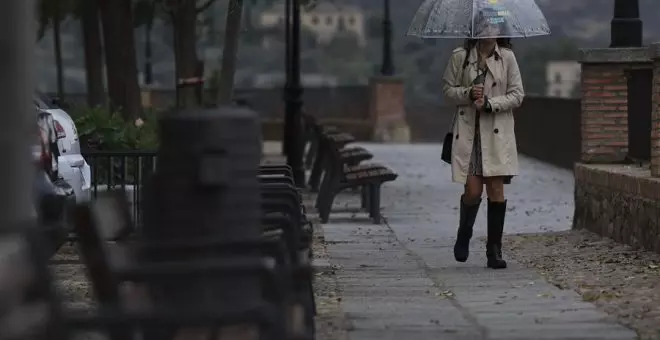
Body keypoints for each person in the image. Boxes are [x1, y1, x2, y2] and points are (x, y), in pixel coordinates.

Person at [441, 16, 524, 270]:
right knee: (473, 191)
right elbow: (447, 90)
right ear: (475, 30)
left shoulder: (507, 57)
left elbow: (517, 94)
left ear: (500, 30)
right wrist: (467, 93)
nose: (489, 31)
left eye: (494, 26)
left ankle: (494, 250)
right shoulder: (461, 56)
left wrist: (491, 103)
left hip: (496, 133)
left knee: (496, 191)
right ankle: (464, 234)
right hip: (469, 133)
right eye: (484, 26)